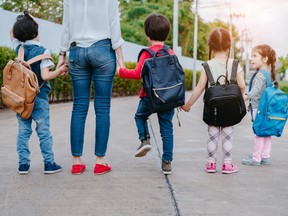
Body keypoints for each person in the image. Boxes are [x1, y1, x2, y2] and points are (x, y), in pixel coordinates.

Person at [57, 0, 125, 175]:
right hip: (103, 49)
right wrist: (120, 59)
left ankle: (76, 162)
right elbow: (114, 23)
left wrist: (61, 55)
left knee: (79, 107)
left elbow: (66, 25)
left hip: (77, 51)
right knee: (102, 108)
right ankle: (100, 161)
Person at [116, 13, 175, 175]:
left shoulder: (146, 53)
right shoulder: (171, 52)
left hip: (149, 96)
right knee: (166, 129)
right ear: (166, 33)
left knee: (140, 116)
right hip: (168, 98)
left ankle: (145, 140)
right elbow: (177, 76)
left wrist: (120, 71)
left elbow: (137, 73)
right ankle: (167, 163)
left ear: (147, 35)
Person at [181, 27, 246, 174]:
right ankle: (227, 165)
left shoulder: (207, 65)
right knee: (227, 136)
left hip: (213, 109)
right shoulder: (235, 64)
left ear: (210, 46)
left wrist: (188, 105)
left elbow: (199, 87)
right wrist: (241, 97)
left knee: (212, 136)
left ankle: (210, 164)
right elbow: (242, 85)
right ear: (229, 46)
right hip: (230, 109)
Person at [11, 11, 69, 175]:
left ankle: (23, 165)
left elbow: (13, 33)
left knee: (23, 132)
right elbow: (45, 76)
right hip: (39, 99)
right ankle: (49, 164)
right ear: (36, 32)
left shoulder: (19, 48)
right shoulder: (43, 51)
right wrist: (60, 70)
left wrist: (23, 21)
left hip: (22, 100)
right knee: (43, 132)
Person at [242, 44, 277, 166]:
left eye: (255, 56)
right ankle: (265, 156)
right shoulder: (269, 73)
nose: (252, 59)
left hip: (260, 110)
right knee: (266, 133)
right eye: (251, 56)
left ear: (265, 59)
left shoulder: (260, 74)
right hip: (267, 109)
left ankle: (256, 158)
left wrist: (245, 97)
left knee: (258, 134)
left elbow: (255, 90)